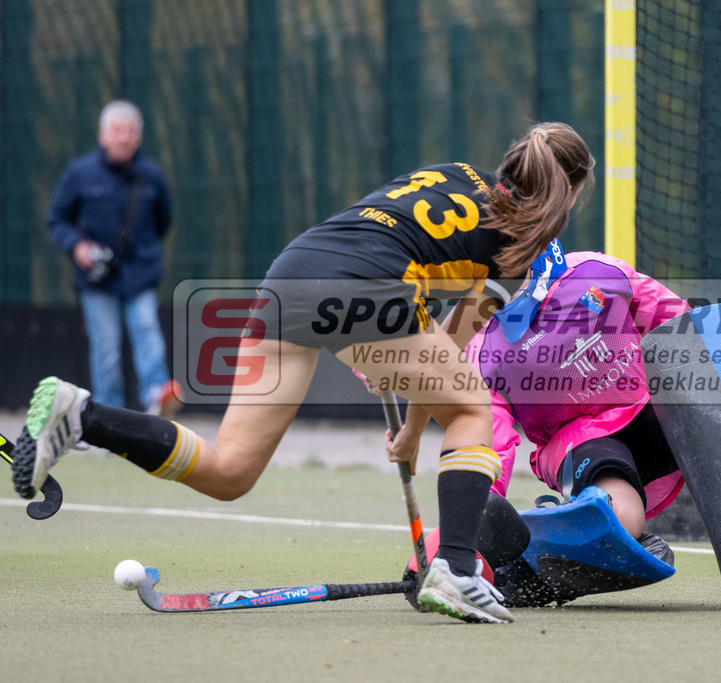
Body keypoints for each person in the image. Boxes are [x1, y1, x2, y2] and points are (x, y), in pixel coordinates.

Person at [12, 122, 596, 625]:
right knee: (471, 410)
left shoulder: (451, 171)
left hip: (292, 275)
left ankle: (81, 414)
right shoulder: (523, 242)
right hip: (366, 290)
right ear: (568, 190)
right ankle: (458, 571)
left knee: (231, 470)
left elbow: (385, 247)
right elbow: (454, 349)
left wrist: (390, 360)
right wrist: (415, 428)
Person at [388, 249, 721, 612]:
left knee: (699, 374)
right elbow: (488, 441)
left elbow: (683, 330)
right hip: (581, 439)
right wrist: (469, 533)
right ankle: (535, 562)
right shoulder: (482, 350)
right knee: (622, 518)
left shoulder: (599, 272)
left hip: (659, 411)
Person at [47, 100, 179, 417]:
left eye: (130, 131)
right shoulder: (79, 173)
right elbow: (57, 219)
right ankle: (109, 414)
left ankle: (156, 397)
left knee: (146, 328)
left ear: (139, 137)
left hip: (140, 272)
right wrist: (77, 246)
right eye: (117, 130)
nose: (124, 137)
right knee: (105, 346)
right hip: (97, 277)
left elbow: (165, 220)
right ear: (103, 136)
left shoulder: (152, 176)